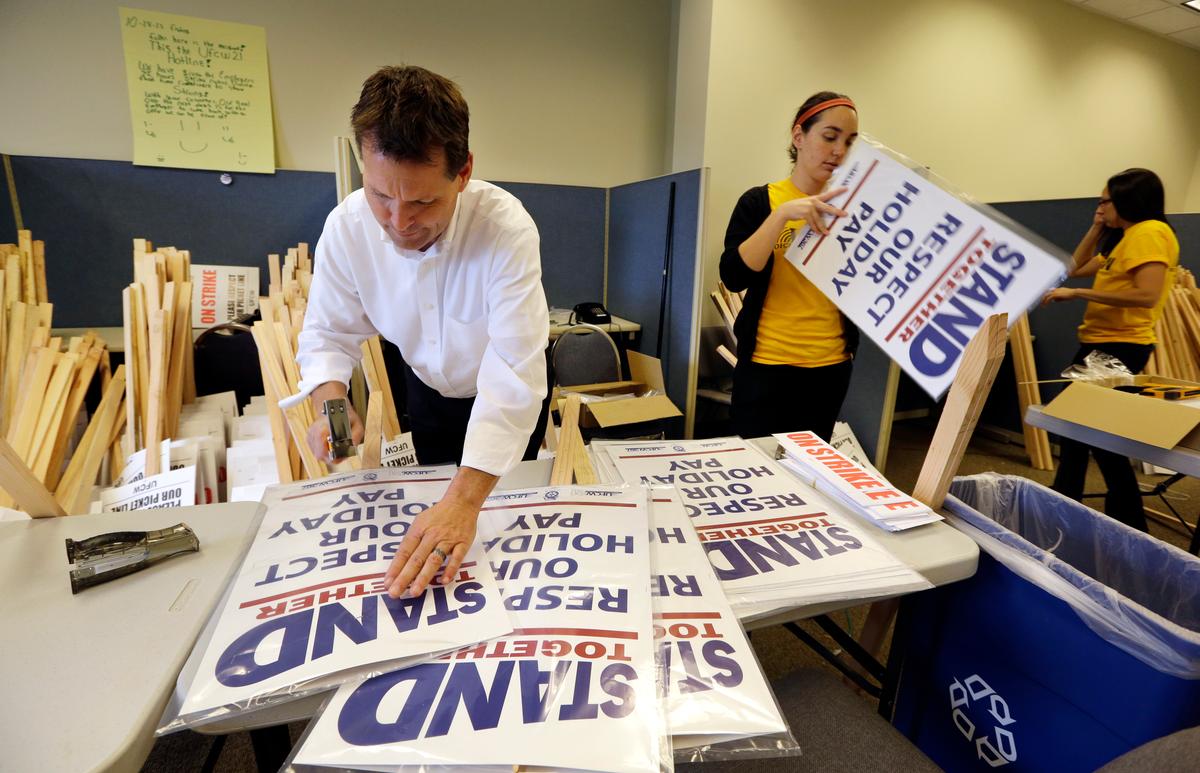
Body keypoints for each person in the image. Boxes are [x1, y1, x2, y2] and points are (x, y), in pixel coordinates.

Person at [291, 65, 549, 597]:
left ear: (464, 171)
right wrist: (334, 409)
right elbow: (327, 333)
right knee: (433, 539)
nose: (399, 221)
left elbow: (514, 374)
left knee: (501, 542)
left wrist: (463, 502)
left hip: (501, 398)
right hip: (427, 394)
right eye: (380, 195)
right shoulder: (346, 227)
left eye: (424, 202)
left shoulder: (505, 229)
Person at [1043, 168, 1179, 532]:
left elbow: (1147, 295)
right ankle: (1065, 503)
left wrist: (1080, 295)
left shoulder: (1150, 233)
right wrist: (1096, 227)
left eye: (1106, 201)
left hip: (1121, 346)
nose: (1100, 207)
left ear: (1128, 200)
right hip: (1100, 344)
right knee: (1074, 429)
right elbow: (1072, 270)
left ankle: (1126, 521)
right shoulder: (1126, 237)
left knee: (1101, 439)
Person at [719, 91, 859, 442]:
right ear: (799, 137)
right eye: (829, 137)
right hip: (767, 366)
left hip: (830, 368)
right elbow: (733, 276)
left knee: (811, 476)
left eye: (849, 142)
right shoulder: (761, 202)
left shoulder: (854, 209)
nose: (839, 151)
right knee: (755, 469)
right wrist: (782, 216)